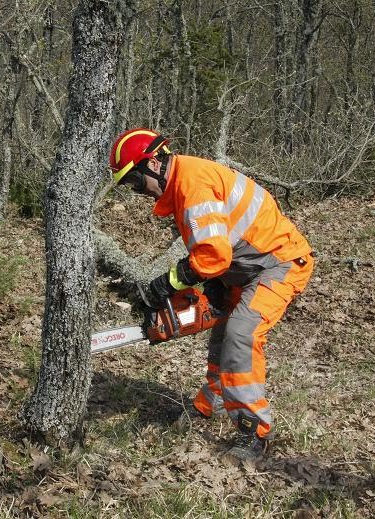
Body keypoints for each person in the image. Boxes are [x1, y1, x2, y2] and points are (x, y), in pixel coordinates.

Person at [108, 128, 314, 461]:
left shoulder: (192, 184)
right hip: (242, 267)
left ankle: (253, 432)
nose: (136, 191)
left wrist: (169, 282)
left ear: (154, 163)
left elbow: (213, 254)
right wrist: (207, 289)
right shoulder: (181, 185)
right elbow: (219, 246)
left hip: (278, 263)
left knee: (240, 333)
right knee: (220, 333)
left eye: (134, 181)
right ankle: (212, 402)